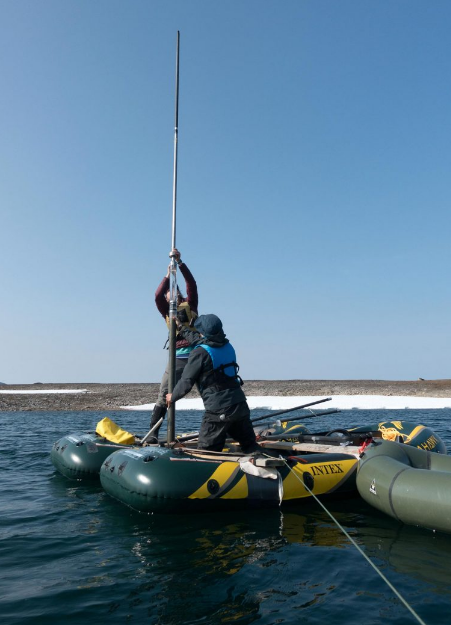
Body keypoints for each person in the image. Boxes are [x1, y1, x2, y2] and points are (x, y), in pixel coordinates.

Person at [166, 314, 260, 453]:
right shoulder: (227, 345)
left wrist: (172, 396)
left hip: (219, 411)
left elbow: (186, 381)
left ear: (203, 332)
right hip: (240, 406)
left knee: (206, 452)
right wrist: (181, 327)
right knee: (250, 445)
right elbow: (199, 340)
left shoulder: (199, 353)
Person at [149, 248, 199, 441]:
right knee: (164, 394)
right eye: (169, 294)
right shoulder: (165, 310)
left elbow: (191, 284)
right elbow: (156, 295)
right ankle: (153, 434)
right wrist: (167, 275)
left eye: (174, 292)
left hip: (198, 355)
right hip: (177, 357)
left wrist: (181, 264)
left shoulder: (190, 304)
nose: (172, 295)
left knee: (211, 391)